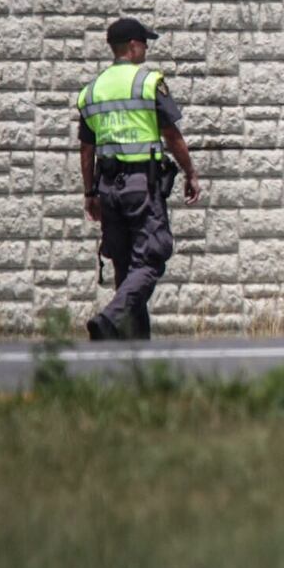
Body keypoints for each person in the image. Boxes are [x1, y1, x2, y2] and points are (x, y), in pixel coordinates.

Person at [76, 17, 202, 340]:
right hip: (141, 186)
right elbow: (172, 135)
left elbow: (86, 149)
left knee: (124, 265)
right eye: (144, 42)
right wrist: (190, 172)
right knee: (151, 259)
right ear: (132, 46)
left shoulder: (92, 90)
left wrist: (89, 192)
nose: (146, 47)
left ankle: (135, 348)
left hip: (107, 188)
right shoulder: (148, 82)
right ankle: (109, 319)